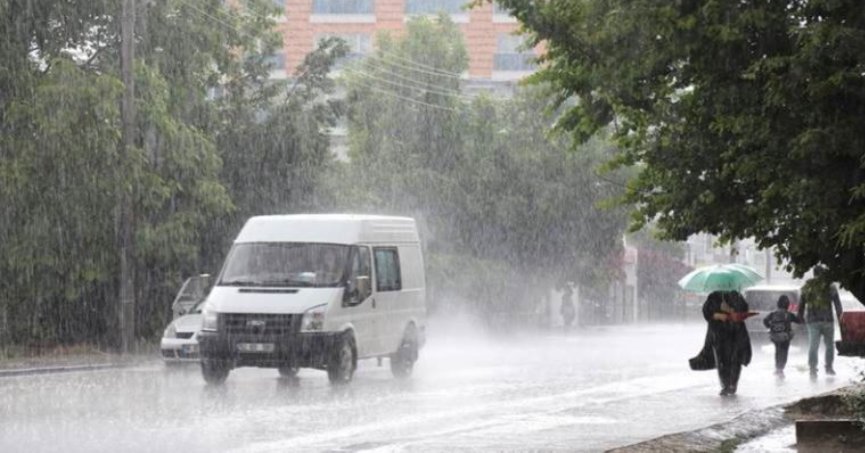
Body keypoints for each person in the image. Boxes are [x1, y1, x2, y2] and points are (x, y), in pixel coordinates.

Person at [700, 290, 752, 396]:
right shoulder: (713, 296)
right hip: (719, 335)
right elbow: (706, 312)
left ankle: (732, 383)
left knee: (735, 359)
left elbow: (743, 311)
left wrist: (730, 310)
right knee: (721, 360)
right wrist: (716, 315)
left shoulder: (736, 295)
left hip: (735, 333)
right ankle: (725, 385)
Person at [797, 267, 843, 376]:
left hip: (812, 321)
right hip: (827, 320)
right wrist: (840, 317)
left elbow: (801, 303)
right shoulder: (830, 286)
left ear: (814, 274)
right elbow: (837, 303)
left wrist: (800, 316)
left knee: (813, 345)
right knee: (829, 345)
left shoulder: (807, 286)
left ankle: (813, 368)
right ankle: (829, 367)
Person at [763, 295, 802, 376]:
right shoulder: (788, 314)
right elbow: (798, 320)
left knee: (777, 351)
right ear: (787, 305)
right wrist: (800, 311)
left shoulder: (773, 313)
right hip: (785, 337)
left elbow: (765, 320)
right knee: (784, 352)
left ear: (778, 304)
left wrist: (770, 327)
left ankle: (777, 368)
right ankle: (781, 368)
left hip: (775, 336)